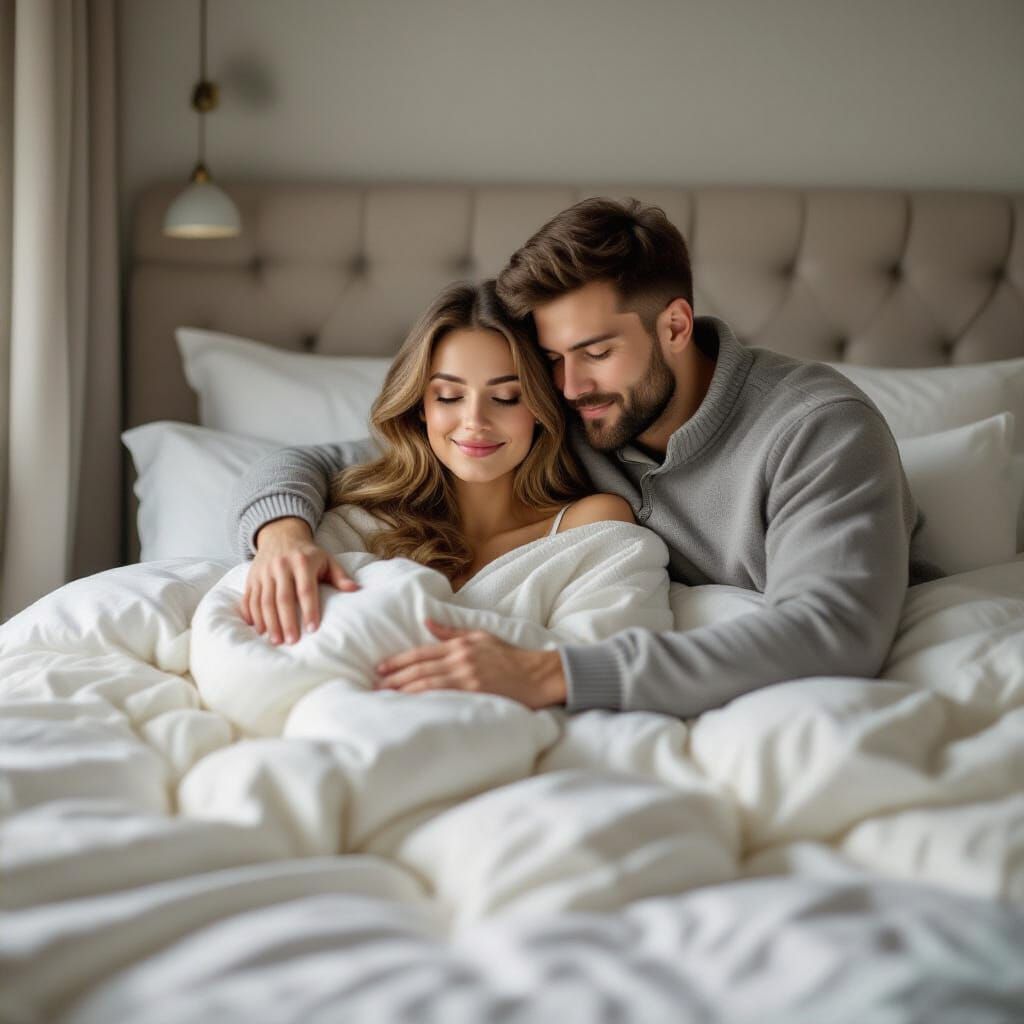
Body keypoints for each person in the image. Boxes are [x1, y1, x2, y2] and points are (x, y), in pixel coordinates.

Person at [232, 198, 937, 719]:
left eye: (596, 352)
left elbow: (834, 632)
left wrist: (554, 674)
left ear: (675, 325)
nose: (569, 387)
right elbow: (323, 463)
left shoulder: (816, 428)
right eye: (551, 359)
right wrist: (283, 536)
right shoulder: (568, 412)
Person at [237, 277, 636, 699]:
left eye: (506, 397)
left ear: (540, 406)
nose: (475, 421)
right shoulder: (361, 519)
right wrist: (281, 538)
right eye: (448, 396)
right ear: (421, 406)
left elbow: (615, 657)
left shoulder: (588, 526)